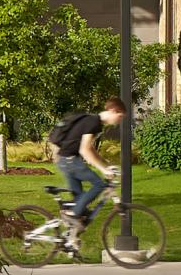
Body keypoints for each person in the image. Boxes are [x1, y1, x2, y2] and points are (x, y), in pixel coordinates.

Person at [47, 96, 125, 225]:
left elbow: (91, 149)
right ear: (113, 110)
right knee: (99, 185)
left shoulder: (95, 122)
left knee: (80, 204)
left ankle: (69, 239)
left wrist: (106, 165)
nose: (120, 120)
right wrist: (103, 170)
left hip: (66, 161)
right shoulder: (93, 122)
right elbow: (85, 150)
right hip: (70, 161)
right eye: (120, 116)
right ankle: (72, 214)